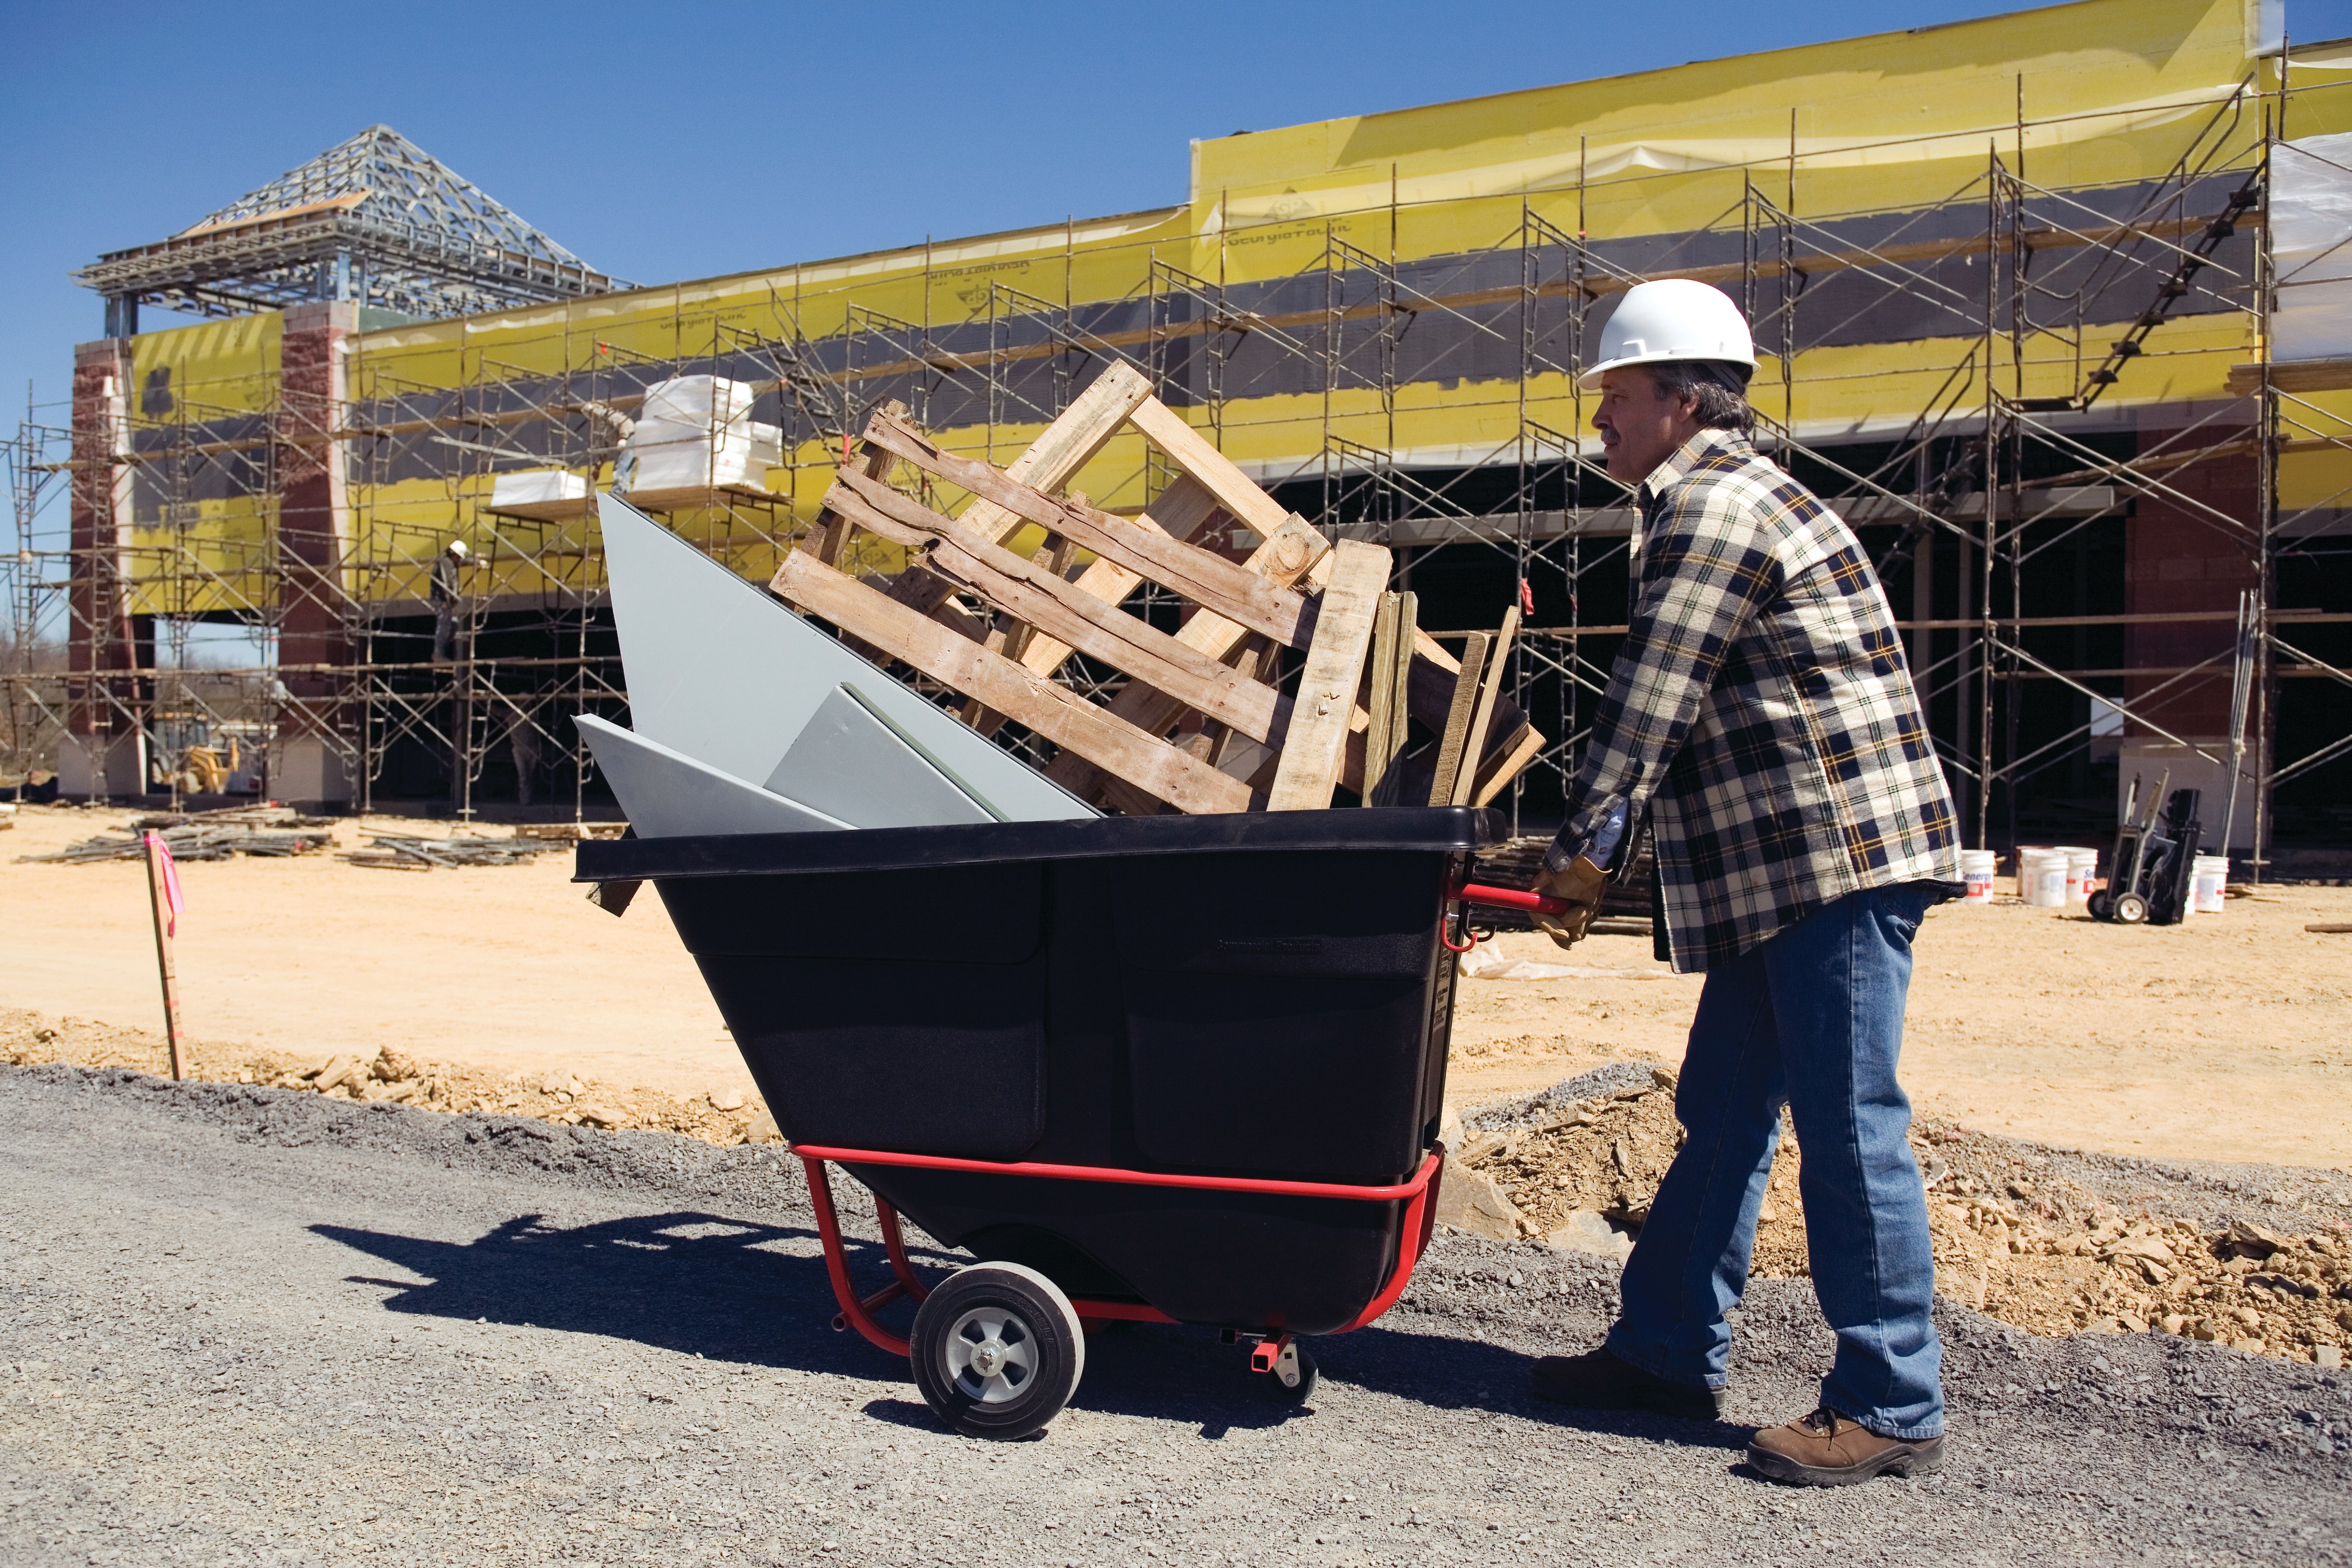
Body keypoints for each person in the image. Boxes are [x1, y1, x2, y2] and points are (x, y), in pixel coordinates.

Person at [1524, 278, 1963, 1487]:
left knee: (1849, 1126)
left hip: (1837, 864)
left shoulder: (1714, 510)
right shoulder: (1716, 501)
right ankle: (1664, 1348)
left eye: (1614, 395)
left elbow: (1652, 704)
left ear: (1677, 397)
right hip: (1787, 872)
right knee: (1723, 1110)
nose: (1600, 419)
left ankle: (1893, 1398)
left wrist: (1579, 855)